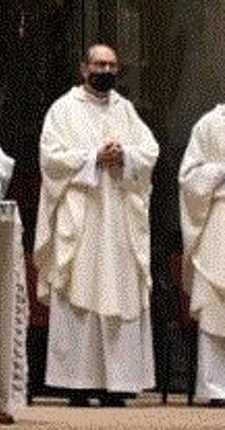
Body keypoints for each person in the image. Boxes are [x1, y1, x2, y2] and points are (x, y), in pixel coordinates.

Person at [34, 44, 159, 406]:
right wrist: (94, 157)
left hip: (119, 219)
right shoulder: (63, 109)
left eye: (111, 65)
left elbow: (150, 152)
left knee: (120, 294)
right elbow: (50, 158)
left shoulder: (125, 110)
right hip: (82, 219)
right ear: (83, 68)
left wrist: (125, 156)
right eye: (99, 64)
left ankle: (117, 385)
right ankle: (77, 383)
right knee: (78, 292)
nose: (105, 70)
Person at [178, 102, 225, 404]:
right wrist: (219, 171)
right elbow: (189, 177)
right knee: (215, 306)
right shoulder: (209, 124)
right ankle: (215, 388)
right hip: (219, 216)